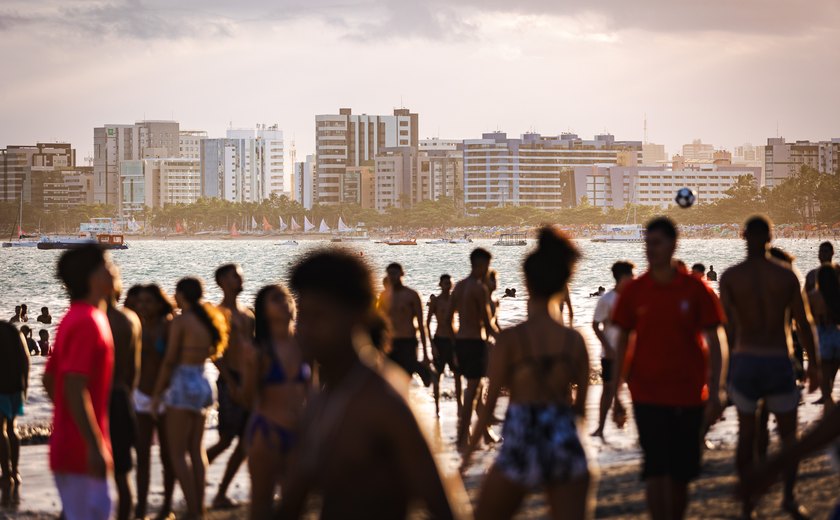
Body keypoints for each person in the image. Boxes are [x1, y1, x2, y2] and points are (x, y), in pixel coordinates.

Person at [276, 249, 466, 519]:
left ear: (356, 315)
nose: (304, 330)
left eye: (318, 317)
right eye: (302, 317)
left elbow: (442, 504)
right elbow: (294, 500)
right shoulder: (324, 396)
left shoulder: (382, 401)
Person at [462, 226, 593, 519]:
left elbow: (488, 405)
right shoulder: (575, 342)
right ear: (562, 285)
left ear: (527, 283)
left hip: (521, 438)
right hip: (563, 438)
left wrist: (467, 458)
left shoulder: (510, 340)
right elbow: (581, 411)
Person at [612, 217, 728, 520]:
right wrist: (616, 395)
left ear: (673, 244)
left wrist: (716, 392)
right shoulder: (635, 291)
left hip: (689, 393)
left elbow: (716, 340)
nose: (650, 250)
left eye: (656, 243)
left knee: (680, 474)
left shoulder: (695, 288)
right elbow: (622, 344)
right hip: (646, 394)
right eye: (647, 244)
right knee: (654, 469)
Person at [719, 215, 820, 519]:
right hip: (778, 360)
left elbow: (725, 330)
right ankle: (788, 497)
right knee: (789, 436)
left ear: (743, 236)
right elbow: (804, 324)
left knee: (747, 434)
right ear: (770, 239)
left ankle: (748, 503)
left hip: (746, 360)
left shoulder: (730, 277)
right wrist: (813, 365)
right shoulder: (786, 277)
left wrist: (723, 373)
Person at [43, 245, 116, 520]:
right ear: (93, 277)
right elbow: (73, 386)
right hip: (81, 451)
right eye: (108, 264)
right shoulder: (88, 322)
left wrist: (67, 420)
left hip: (71, 445)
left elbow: (50, 379)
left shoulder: (74, 317)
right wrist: (94, 444)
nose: (114, 270)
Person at [151, 278, 228, 520]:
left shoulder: (182, 322)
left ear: (181, 295)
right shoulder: (209, 321)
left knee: (176, 453)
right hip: (202, 381)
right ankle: (200, 506)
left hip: (183, 383)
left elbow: (170, 359)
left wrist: (156, 393)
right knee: (196, 450)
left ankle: (194, 510)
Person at [240, 284, 311, 519]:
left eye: (287, 298)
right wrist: (251, 366)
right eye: (276, 299)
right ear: (264, 309)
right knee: (261, 504)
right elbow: (247, 398)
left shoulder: (305, 346)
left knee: (296, 505)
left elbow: (314, 393)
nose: (285, 302)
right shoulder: (259, 349)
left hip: (299, 433)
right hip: (266, 431)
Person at [206, 264, 254, 510]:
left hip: (249, 381)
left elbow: (251, 349)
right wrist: (232, 382)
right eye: (234, 275)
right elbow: (215, 353)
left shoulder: (248, 314)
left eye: (240, 274)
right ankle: (192, 477)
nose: (240, 278)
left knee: (246, 443)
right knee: (226, 439)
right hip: (230, 380)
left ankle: (221, 492)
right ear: (222, 281)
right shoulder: (219, 313)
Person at [449, 248, 500, 449]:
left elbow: (447, 320)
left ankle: (483, 434)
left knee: (474, 387)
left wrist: (455, 345)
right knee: (473, 389)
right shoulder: (479, 288)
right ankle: (463, 437)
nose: (488, 269)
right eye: (487, 265)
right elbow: (488, 325)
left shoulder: (459, 287)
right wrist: (505, 340)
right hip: (475, 342)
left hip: (461, 342)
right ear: (480, 265)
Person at [133, 284, 176, 520]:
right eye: (141, 301)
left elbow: (174, 362)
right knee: (142, 454)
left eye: (148, 301)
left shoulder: (168, 325)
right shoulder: (137, 325)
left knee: (167, 455)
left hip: (166, 397)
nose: (143, 305)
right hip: (141, 395)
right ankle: (140, 506)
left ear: (160, 303)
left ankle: (166, 506)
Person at [106, 273, 142, 520]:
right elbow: (134, 373)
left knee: (89, 473)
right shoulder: (130, 320)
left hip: (101, 398)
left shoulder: (93, 319)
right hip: (122, 396)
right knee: (122, 473)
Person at [591, 261, 634, 439]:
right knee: (608, 389)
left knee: (636, 389)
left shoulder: (634, 298)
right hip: (610, 354)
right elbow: (595, 325)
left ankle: (641, 430)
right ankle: (600, 428)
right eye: (631, 276)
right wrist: (607, 347)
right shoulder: (607, 300)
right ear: (623, 278)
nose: (633, 279)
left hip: (631, 353)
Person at [383, 263, 430, 385]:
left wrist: (425, 353)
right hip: (390, 343)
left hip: (408, 342)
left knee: (405, 379)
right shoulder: (384, 296)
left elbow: (421, 324)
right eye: (389, 274)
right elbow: (380, 323)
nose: (392, 277)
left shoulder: (411, 295)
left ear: (402, 274)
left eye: (395, 273)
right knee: (390, 381)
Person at [0, 322, 29, 507]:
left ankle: (6, 473)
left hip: (1, 388)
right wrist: (24, 386)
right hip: (16, 387)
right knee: (12, 427)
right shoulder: (12, 330)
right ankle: (16, 471)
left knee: (0, 430)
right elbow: (26, 358)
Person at [427, 274, 461, 417]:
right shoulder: (436, 302)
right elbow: (427, 323)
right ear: (440, 284)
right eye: (445, 283)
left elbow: (464, 317)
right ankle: (437, 408)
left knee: (458, 375)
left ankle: (460, 405)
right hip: (439, 341)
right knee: (437, 376)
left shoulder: (455, 301)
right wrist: (432, 346)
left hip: (453, 341)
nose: (447, 286)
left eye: (449, 283)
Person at [808, 265, 840, 409]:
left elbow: (808, 318)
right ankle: (828, 396)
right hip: (837, 333)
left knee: (824, 369)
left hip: (822, 334)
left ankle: (826, 398)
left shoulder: (814, 295)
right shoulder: (837, 295)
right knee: (833, 368)